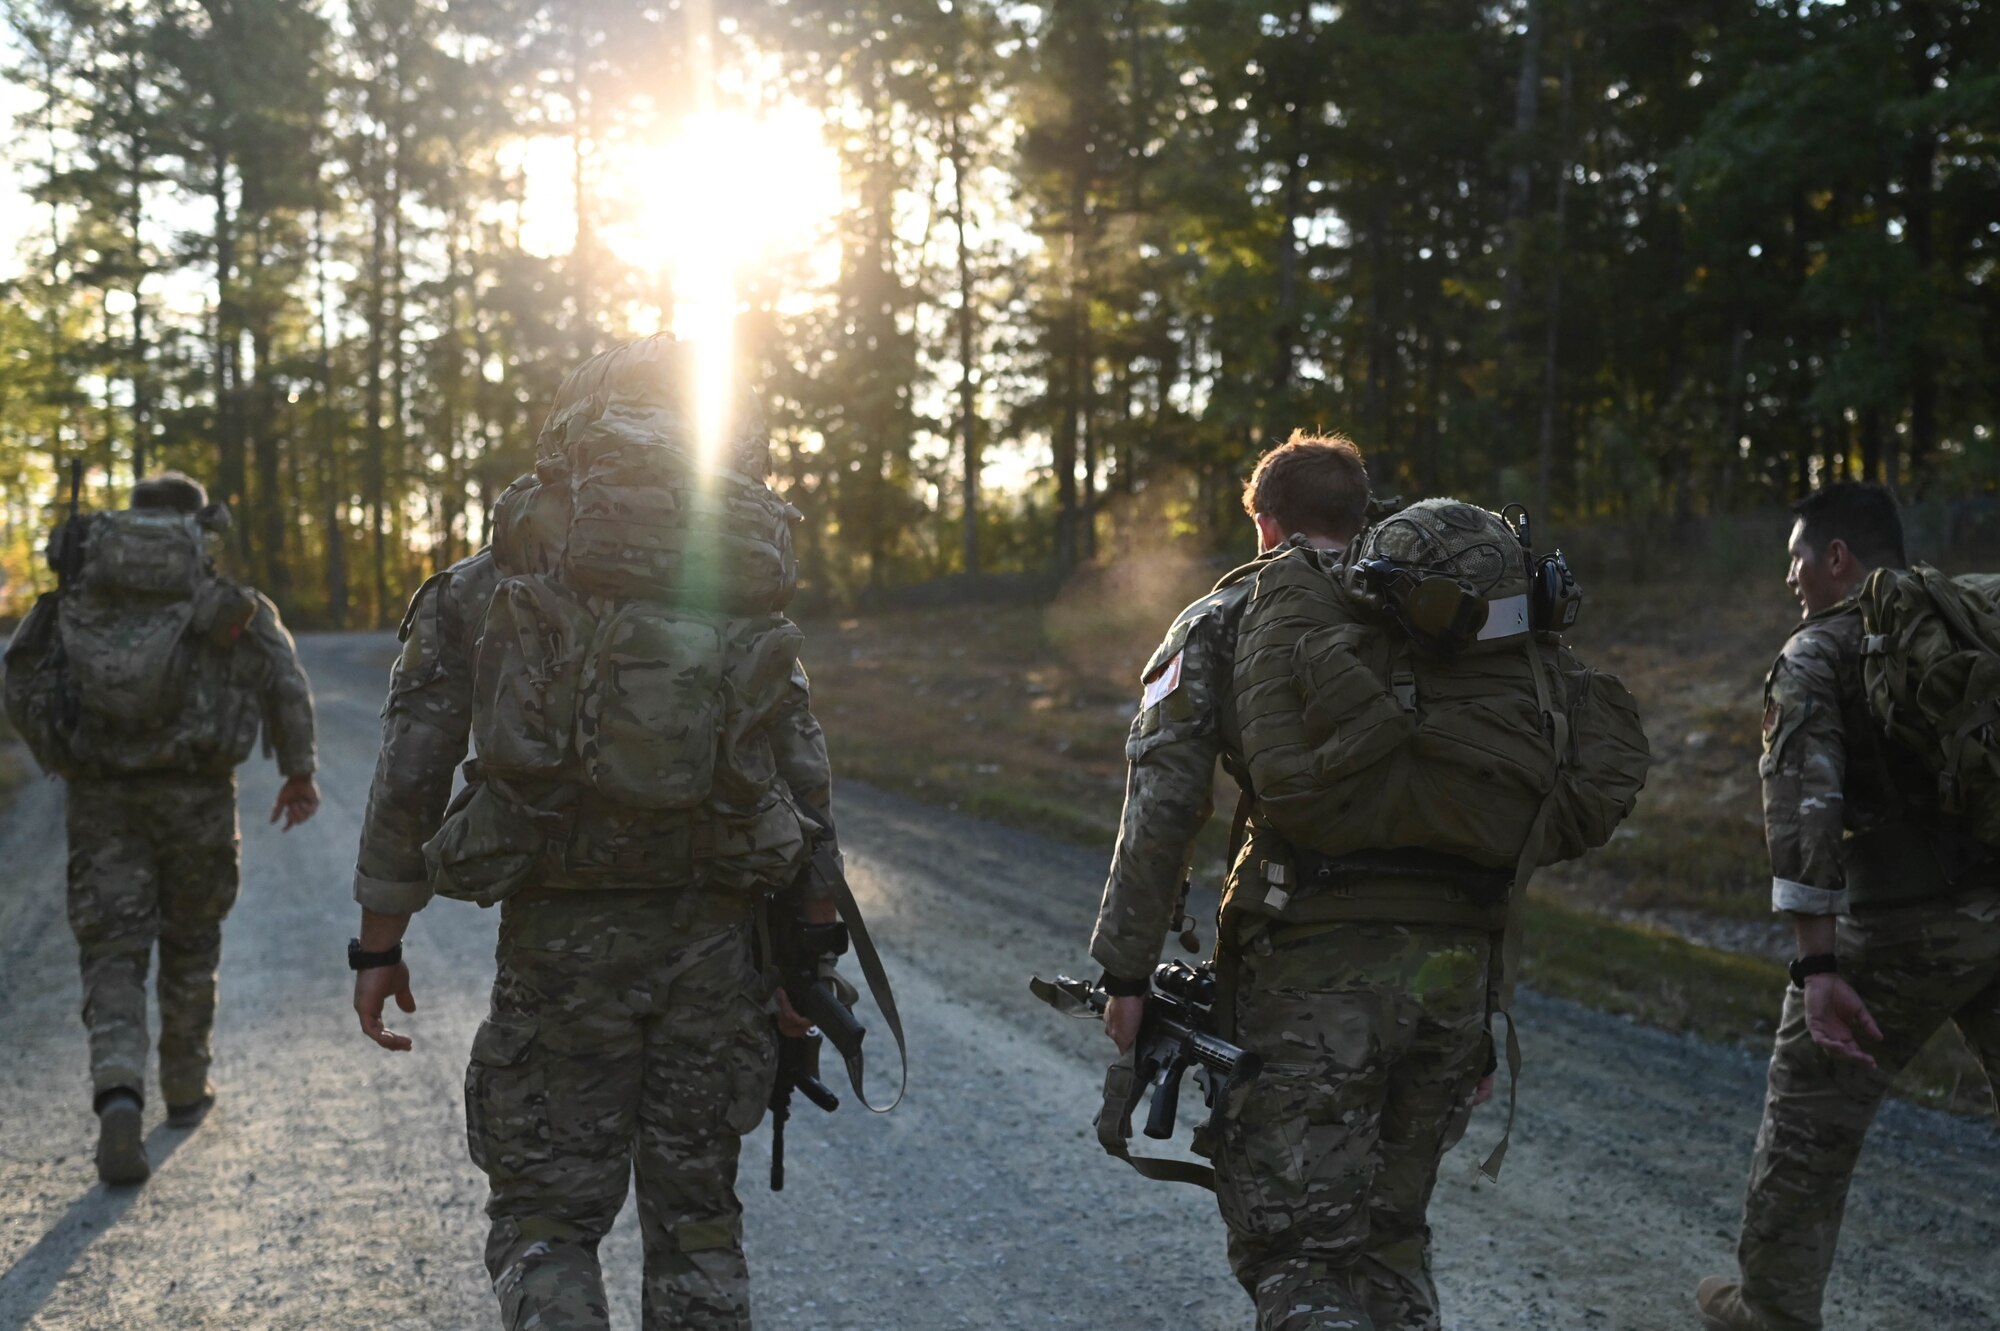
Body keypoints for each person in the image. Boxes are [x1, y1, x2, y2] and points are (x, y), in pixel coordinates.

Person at [350, 335, 840, 1331]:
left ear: (573, 430)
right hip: (716, 948)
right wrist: (805, 966)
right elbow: (803, 787)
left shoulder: (482, 587)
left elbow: (409, 773)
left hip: (557, 950)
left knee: (543, 1219)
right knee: (698, 1221)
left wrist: (379, 942)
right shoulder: (739, 577)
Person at [1092, 433, 1502, 1330]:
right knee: (1391, 1235)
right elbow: (1493, 816)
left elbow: (1164, 803)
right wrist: (1486, 1009)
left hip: (1313, 977)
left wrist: (1126, 971)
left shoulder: (1225, 618)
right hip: (1455, 975)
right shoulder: (1442, 623)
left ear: (1263, 523)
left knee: (1298, 1253)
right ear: (1362, 518)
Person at [1697, 484, 2000, 1331]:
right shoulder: (1973, 620)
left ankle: (1770, 1311)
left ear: (1837, 558)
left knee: (1807, 1133)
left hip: (1896, 931)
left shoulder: (1817, 653)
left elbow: (1804, 807)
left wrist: (1819, 963)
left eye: (1796, 556)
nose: (1790, 576)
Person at [3, 470, 319, 1186]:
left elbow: (20, 675)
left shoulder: (79, 598)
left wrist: (61, 753)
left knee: (112, 949)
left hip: (101, 798)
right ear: (196, 527)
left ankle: (119, 1088)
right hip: (199, 796)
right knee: (190, 938)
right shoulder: (226, 605)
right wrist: (299, 771)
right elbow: (284, 679)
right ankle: (184, 1084)